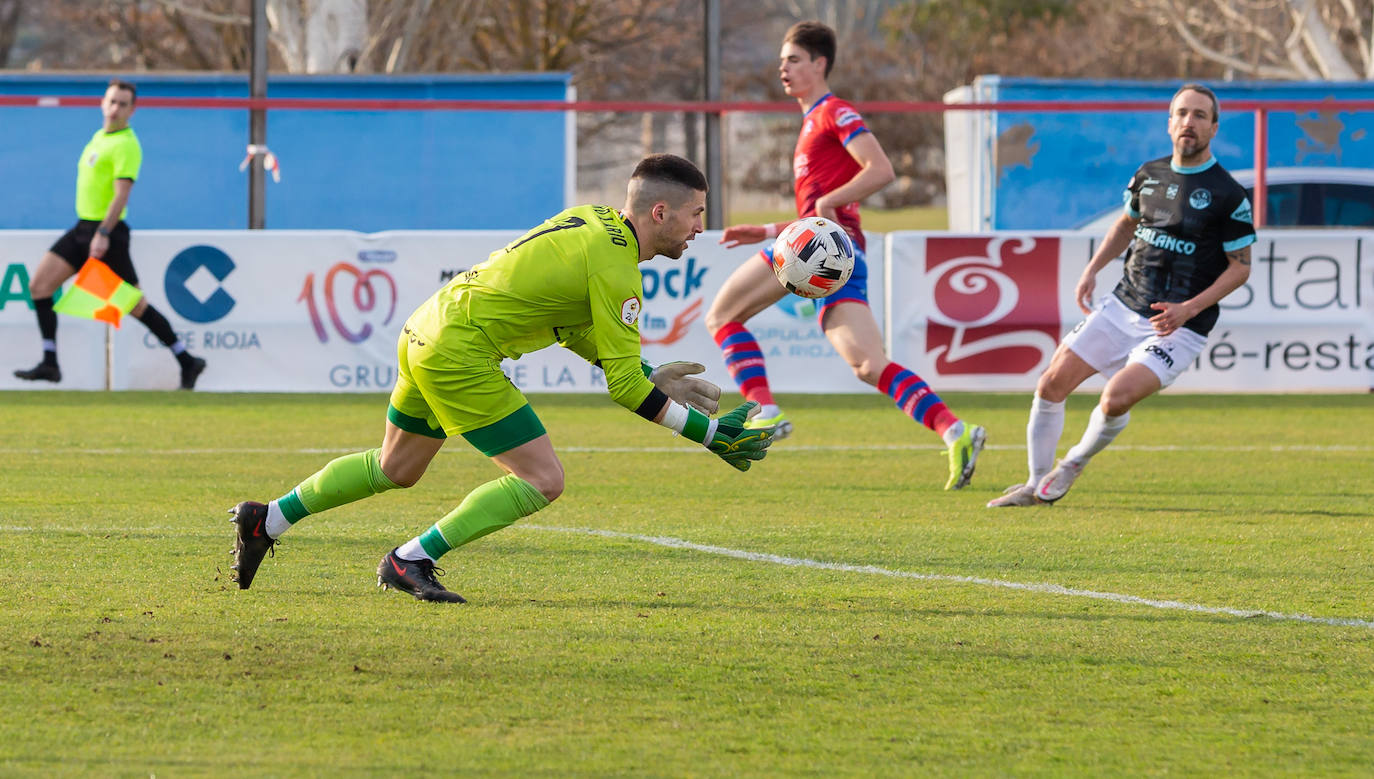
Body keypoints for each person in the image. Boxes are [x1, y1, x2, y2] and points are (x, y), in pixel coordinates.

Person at [227, 153, 772, 603]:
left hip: (426, 328)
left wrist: (648, 370)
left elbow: (567, 324)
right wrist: (709, 433)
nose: (701, 227)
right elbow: (624, 388)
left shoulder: (591, 221)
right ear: (661, 212)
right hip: (460, 353)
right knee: (543, 480)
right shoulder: (618, 268)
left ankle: (267, 519)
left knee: (395, 467)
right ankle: (409, 561)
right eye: (697, 214)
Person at [704, 20, 985, 490]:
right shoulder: (812, 119)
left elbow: (881, 170)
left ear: (820, 63)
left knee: (722, 315)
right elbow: (816, 211)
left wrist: (831, 205)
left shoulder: (834, 111)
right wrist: (772, 228)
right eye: (780, 61)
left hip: (824, 249)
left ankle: (764, 410)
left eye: (793, 59)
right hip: (824, 248)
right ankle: (955, 431)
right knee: (868, 365)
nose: (783, 68)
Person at [987, 83, 1255, 507]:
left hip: (1177, 325)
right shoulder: (1148, 174)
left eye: (1200, 115)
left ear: (1214, 128)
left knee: (1115, 398)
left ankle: (1073, 463)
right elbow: (1127, 224)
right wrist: (1092, 269)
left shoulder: (1228, 194)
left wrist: (1188, 309)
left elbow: (1240, 267)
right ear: (1169, 123)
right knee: (1051, 383)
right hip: (1123, 304)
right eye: (1181, 113)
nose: (1189, 122)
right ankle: (1035, 484)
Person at [14, 78, 207, 390]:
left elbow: (121, 194)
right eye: (111, 101)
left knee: (135, 306)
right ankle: (50, 363)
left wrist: (103, 232)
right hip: (81, 228)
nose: (115, 108)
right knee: (39, 286)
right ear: (102, 103)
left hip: (107, 233)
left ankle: (187, 360)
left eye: (122, 103)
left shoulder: (127, 144)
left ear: (133, 110)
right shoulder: (98, 138)